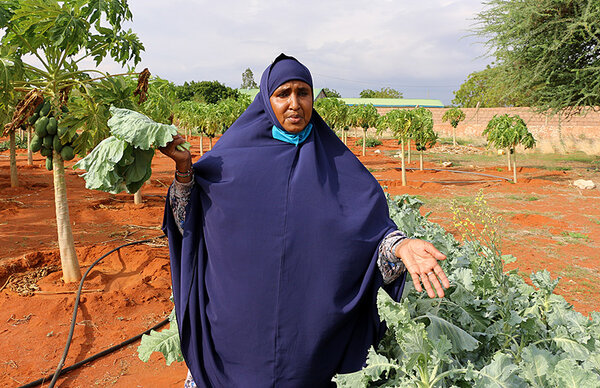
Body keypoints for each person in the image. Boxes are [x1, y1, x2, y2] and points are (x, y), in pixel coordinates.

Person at [160, 54, 450, 388]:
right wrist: (183, 171)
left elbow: (369, 232)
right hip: (235, 331)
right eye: (283, 94)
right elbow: (188, 224)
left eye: (303, 92)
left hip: (306, 337)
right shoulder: (229, 162)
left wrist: (401, 246)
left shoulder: (340, 165)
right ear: (266, 100)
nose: (294, 103)